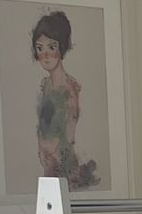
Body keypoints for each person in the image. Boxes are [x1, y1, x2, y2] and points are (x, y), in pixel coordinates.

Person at [31, 10, 99, 188]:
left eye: (51, 47)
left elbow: (70, 130)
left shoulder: (69, 88)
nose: (45, 55)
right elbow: (43, 126)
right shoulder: (45, 85)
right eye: (40, 48)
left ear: (62, 47)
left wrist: (53, 152)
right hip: (47, 163)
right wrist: (42, 150)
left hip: (62, 165)